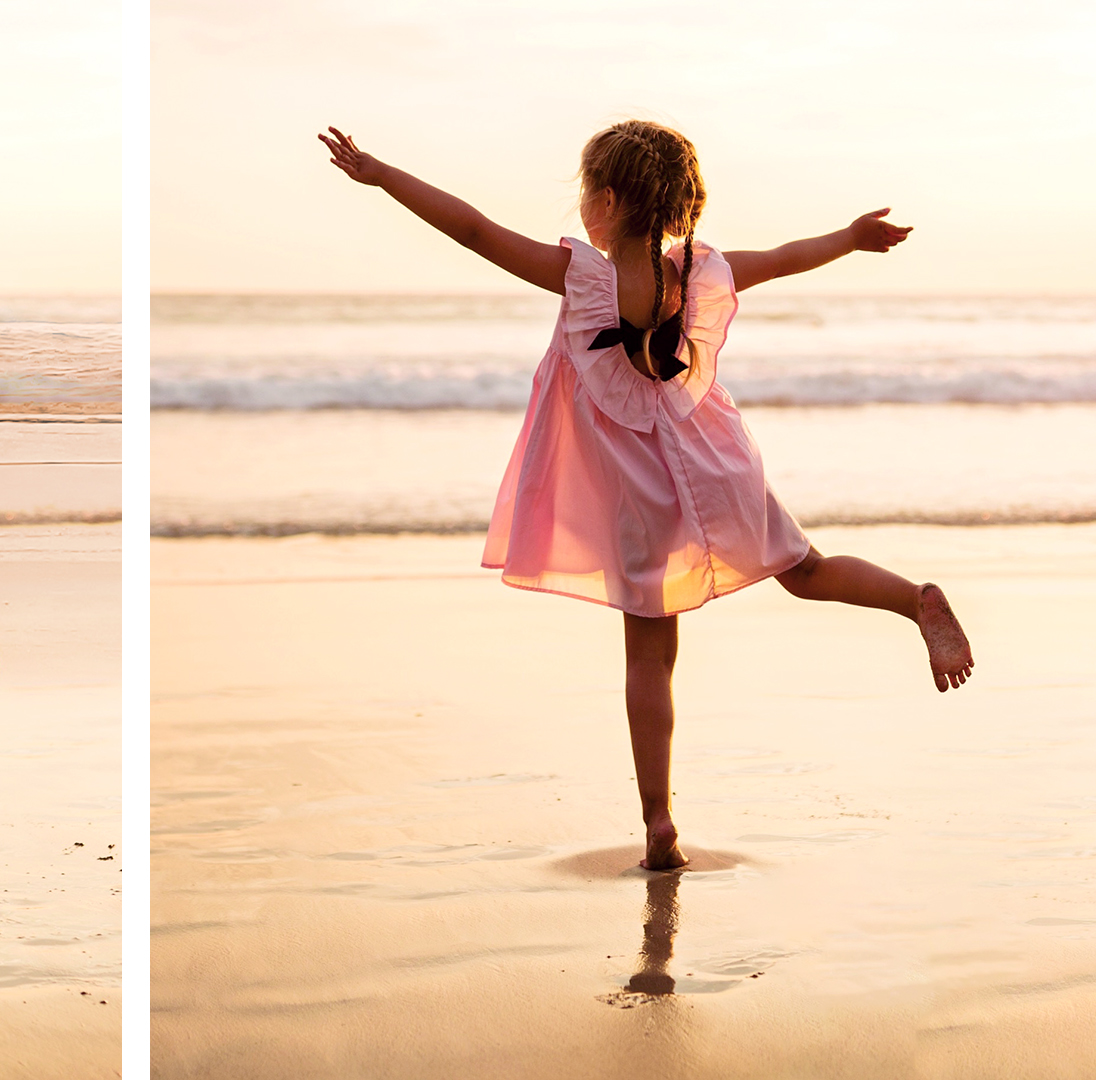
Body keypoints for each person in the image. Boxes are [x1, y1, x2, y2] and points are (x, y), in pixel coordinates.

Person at [319, 120, 973, 872]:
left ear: (602, 200)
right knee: (806, 571)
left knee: (648, 655)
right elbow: (784, 258)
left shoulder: (581, 277)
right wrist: (850, 237)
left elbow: (469, 228)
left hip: (640, 489)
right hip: (714, 458)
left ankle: (660, 821)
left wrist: (382, 175)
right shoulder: (698, 272)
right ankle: (913, 599)